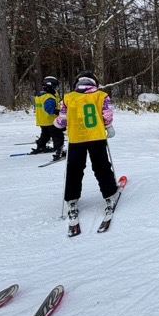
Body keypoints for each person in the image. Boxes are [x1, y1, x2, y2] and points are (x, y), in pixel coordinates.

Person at [54, 71, 119, 227]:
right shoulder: (101, 96)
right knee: (102, 166)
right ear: (94, 83)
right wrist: (108, 126)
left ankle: (72, 198)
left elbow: (63, 118)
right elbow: (107, 114)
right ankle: (110, 193)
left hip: (77, 138)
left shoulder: (68, 98)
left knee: (74, 168)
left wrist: (58, 125)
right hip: (96, 137)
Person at [32, 76, 65, 160]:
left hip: (42, 121)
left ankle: (40, 146)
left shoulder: (39, 95)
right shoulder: (49, 97)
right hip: (51, 121)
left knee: (45, 135)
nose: (56, 88)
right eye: (55, 86)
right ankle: (59, 151)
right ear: (51, 86)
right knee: (58, 136)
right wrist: (58, 112)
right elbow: (49, 109)